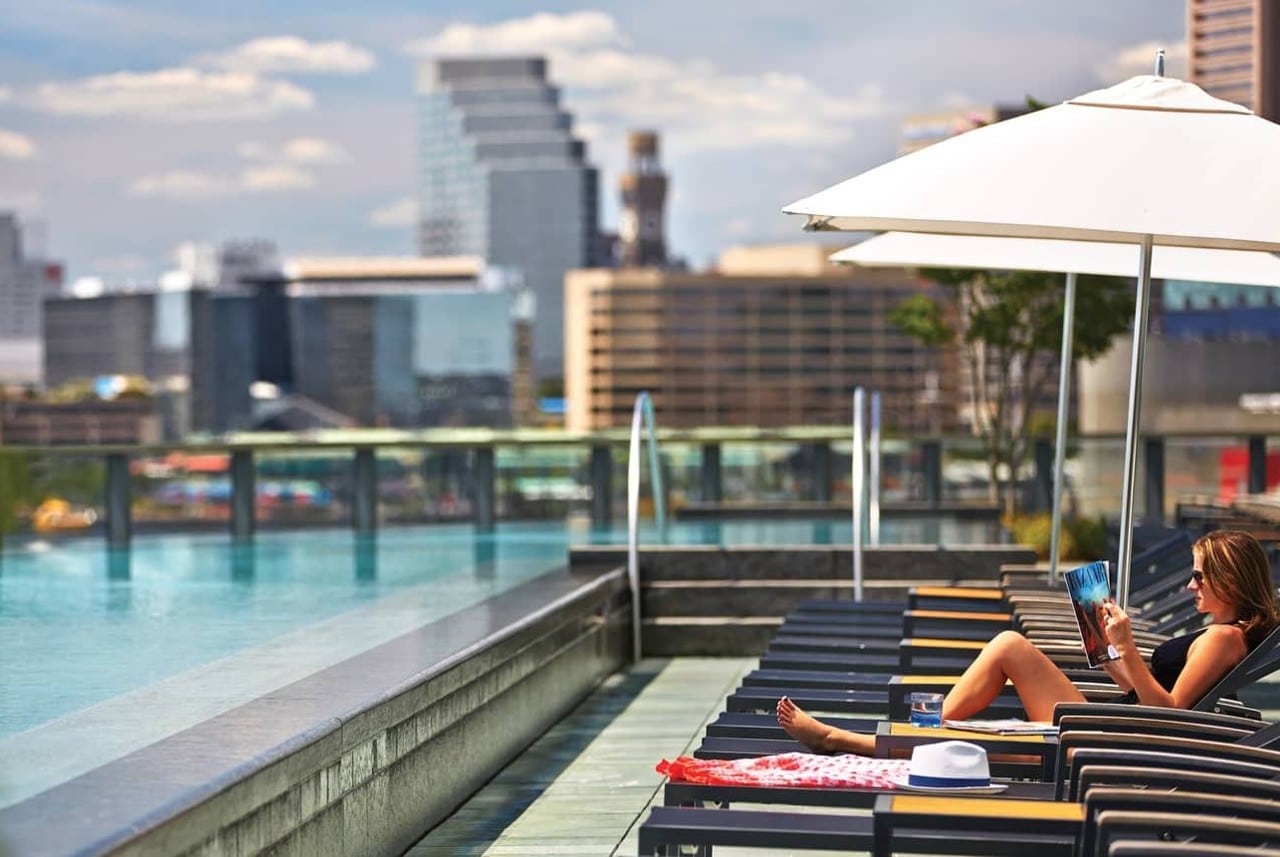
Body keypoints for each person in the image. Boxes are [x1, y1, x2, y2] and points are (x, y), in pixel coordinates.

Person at [777, 529, 1279, 755]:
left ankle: (846, 739)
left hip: (1117, 739)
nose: (1190, 586)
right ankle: (907, 733)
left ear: (1228, 581)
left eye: (1198, 577)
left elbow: (1166, 714)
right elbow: (1144, 692)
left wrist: (1126, 648)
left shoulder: (1223, 639)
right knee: (1008, 651)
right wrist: (1105, 646)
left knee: (1007, 657)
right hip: (1115, 722)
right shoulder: (1221, 635)